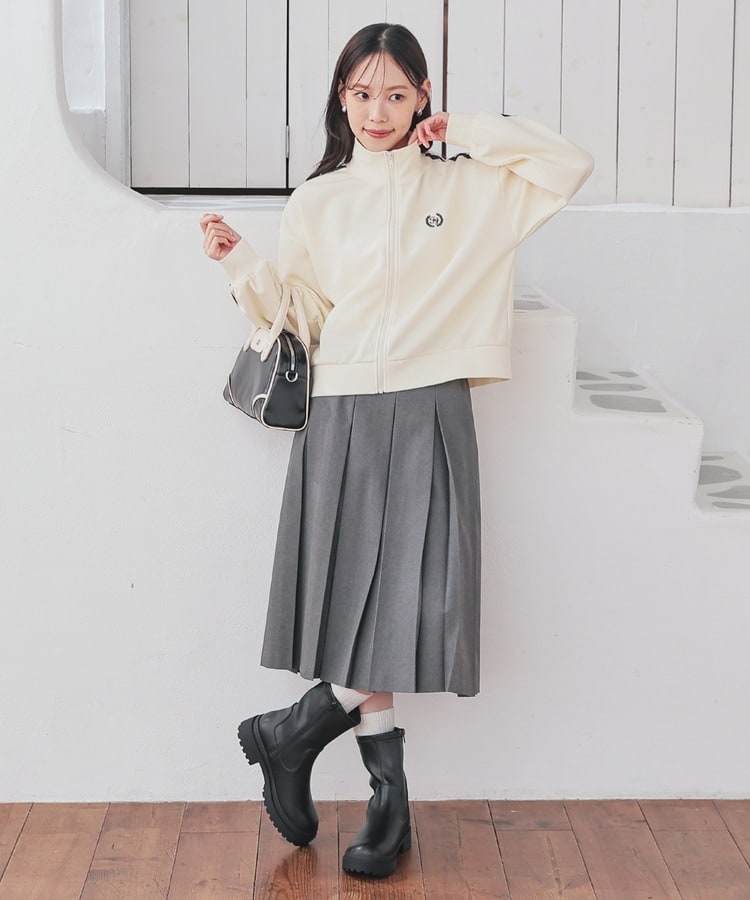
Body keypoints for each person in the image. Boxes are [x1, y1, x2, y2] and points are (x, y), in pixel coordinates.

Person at [200, 22, 593, 879]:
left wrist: (468, 131)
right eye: (360, 93)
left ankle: (295, 733)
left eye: (395, 93)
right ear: (340, 99)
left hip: (430, 405)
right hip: (340, 409)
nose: (376, 111)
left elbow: (568, 165)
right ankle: (389, 803)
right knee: (362, 607)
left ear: (422, 97)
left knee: (415, 601)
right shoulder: (319, 199)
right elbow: (304, 316)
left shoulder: (474, 187)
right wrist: (243, 267)